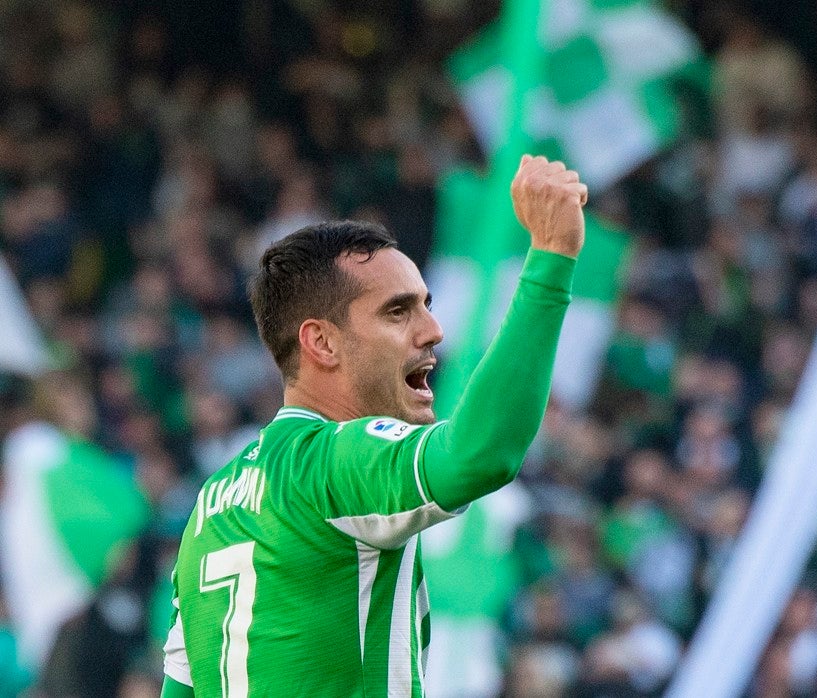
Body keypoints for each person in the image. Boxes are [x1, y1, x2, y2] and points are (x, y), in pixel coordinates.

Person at [160, 155, 588, 697]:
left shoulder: (210, 503)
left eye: (427, 306)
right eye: (397, 311)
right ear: (322, 342)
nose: (433, 330)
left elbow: (179, 687)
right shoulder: (332, 462)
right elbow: (480, 454)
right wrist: (550, 258)